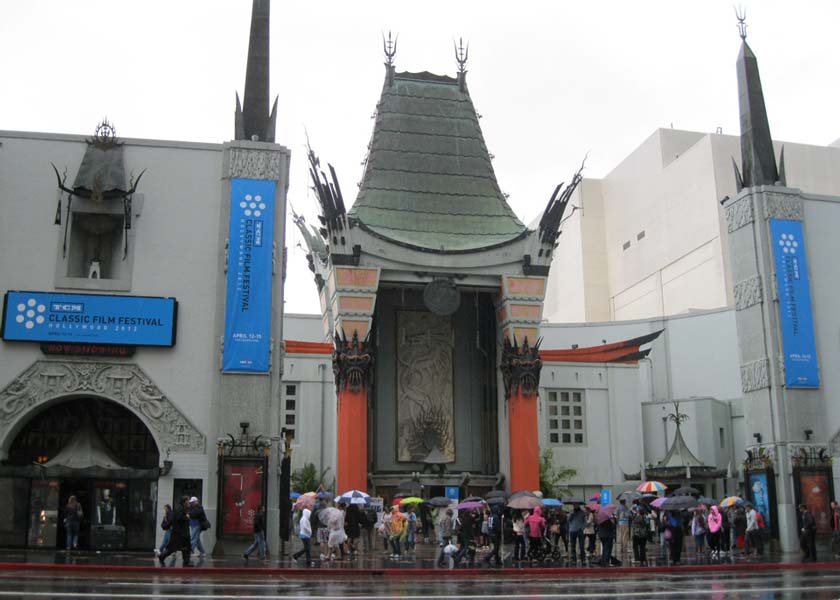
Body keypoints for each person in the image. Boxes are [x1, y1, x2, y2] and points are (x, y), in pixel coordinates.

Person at [159, 496, 191, 567]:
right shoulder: (180, 509)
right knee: (174, 548)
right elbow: (179, 518)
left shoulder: (180, 508)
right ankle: (162, 556)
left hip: (180, 533)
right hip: (180, 533)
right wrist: (186, 517)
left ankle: (186, 561)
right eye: (188, 501)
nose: (189, 502)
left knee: (185, 548)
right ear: (184, 502)